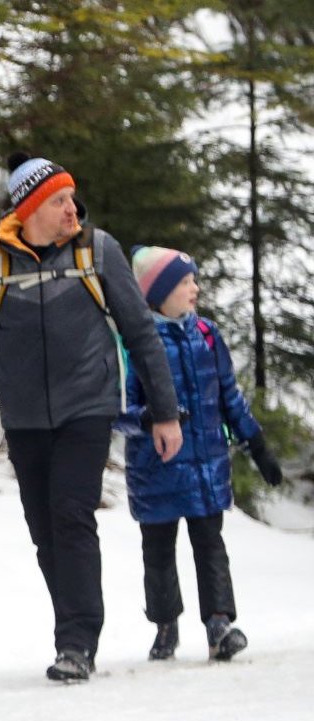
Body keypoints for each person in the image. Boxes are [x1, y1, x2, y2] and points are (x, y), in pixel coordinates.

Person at [0, 155, 183, 682]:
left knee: (71, 516)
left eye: (72, 198)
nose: (73, 209)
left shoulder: (97, 251)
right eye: (60, 201)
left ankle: (76, 640)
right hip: (23, 418)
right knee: (44, 530)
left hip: (86, 407)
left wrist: (165, 413)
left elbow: (140, 332)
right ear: (31, 209)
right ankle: (73, 625)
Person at [122, 246, 283, 662]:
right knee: (157, 552)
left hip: (207, 465)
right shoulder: (136, 343)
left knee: (210, 545)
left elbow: (230, 396)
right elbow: (117, 411)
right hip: (155, 468)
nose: (194, 287)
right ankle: (165, 626)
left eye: (193, 279)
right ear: (158, 293)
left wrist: (256, 444)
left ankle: (219, 624)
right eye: (183, 282)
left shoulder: (207, 336)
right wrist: (153, 417)